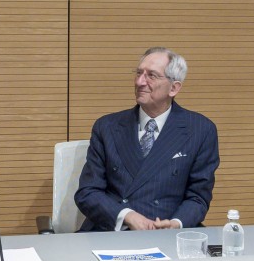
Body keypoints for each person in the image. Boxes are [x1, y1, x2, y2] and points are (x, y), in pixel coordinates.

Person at [75, 47, 219, 231]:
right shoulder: (107, 127)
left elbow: (198, 197)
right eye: (138, 73)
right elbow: (87, 192)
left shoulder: (200, 130)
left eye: (151, 75)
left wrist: (176, 223)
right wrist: (126, 215)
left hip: (167, 232)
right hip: (112, 230)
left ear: (174, 88)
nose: (139, 82)